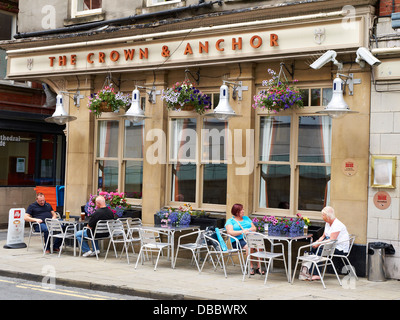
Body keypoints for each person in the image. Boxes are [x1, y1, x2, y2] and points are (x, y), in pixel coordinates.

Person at [310, 206, 350, 280]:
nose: (322, 217)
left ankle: (316, 274)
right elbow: (323, 236)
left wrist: (319, 244)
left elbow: (331, 240)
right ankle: (310, 271)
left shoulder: (337, 225)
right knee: (313, 248)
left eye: (323, 215)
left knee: (320, 250)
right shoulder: (328, 223)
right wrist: (317, 242)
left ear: (328, 216)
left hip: (339, 248)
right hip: (331, 245)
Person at [225, 204, 262, 275]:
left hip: (249, 237)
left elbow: (254, 228)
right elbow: (230, 232)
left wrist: (247, 230)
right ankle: (250, 266)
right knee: (249, 246)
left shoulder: (246, 218)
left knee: (260, 245)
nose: (243, 211)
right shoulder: (230, 221)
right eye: (241, 210)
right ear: (236, 212)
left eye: (243, 209)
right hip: (238, 241)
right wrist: (242, 232)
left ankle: (259, 267)